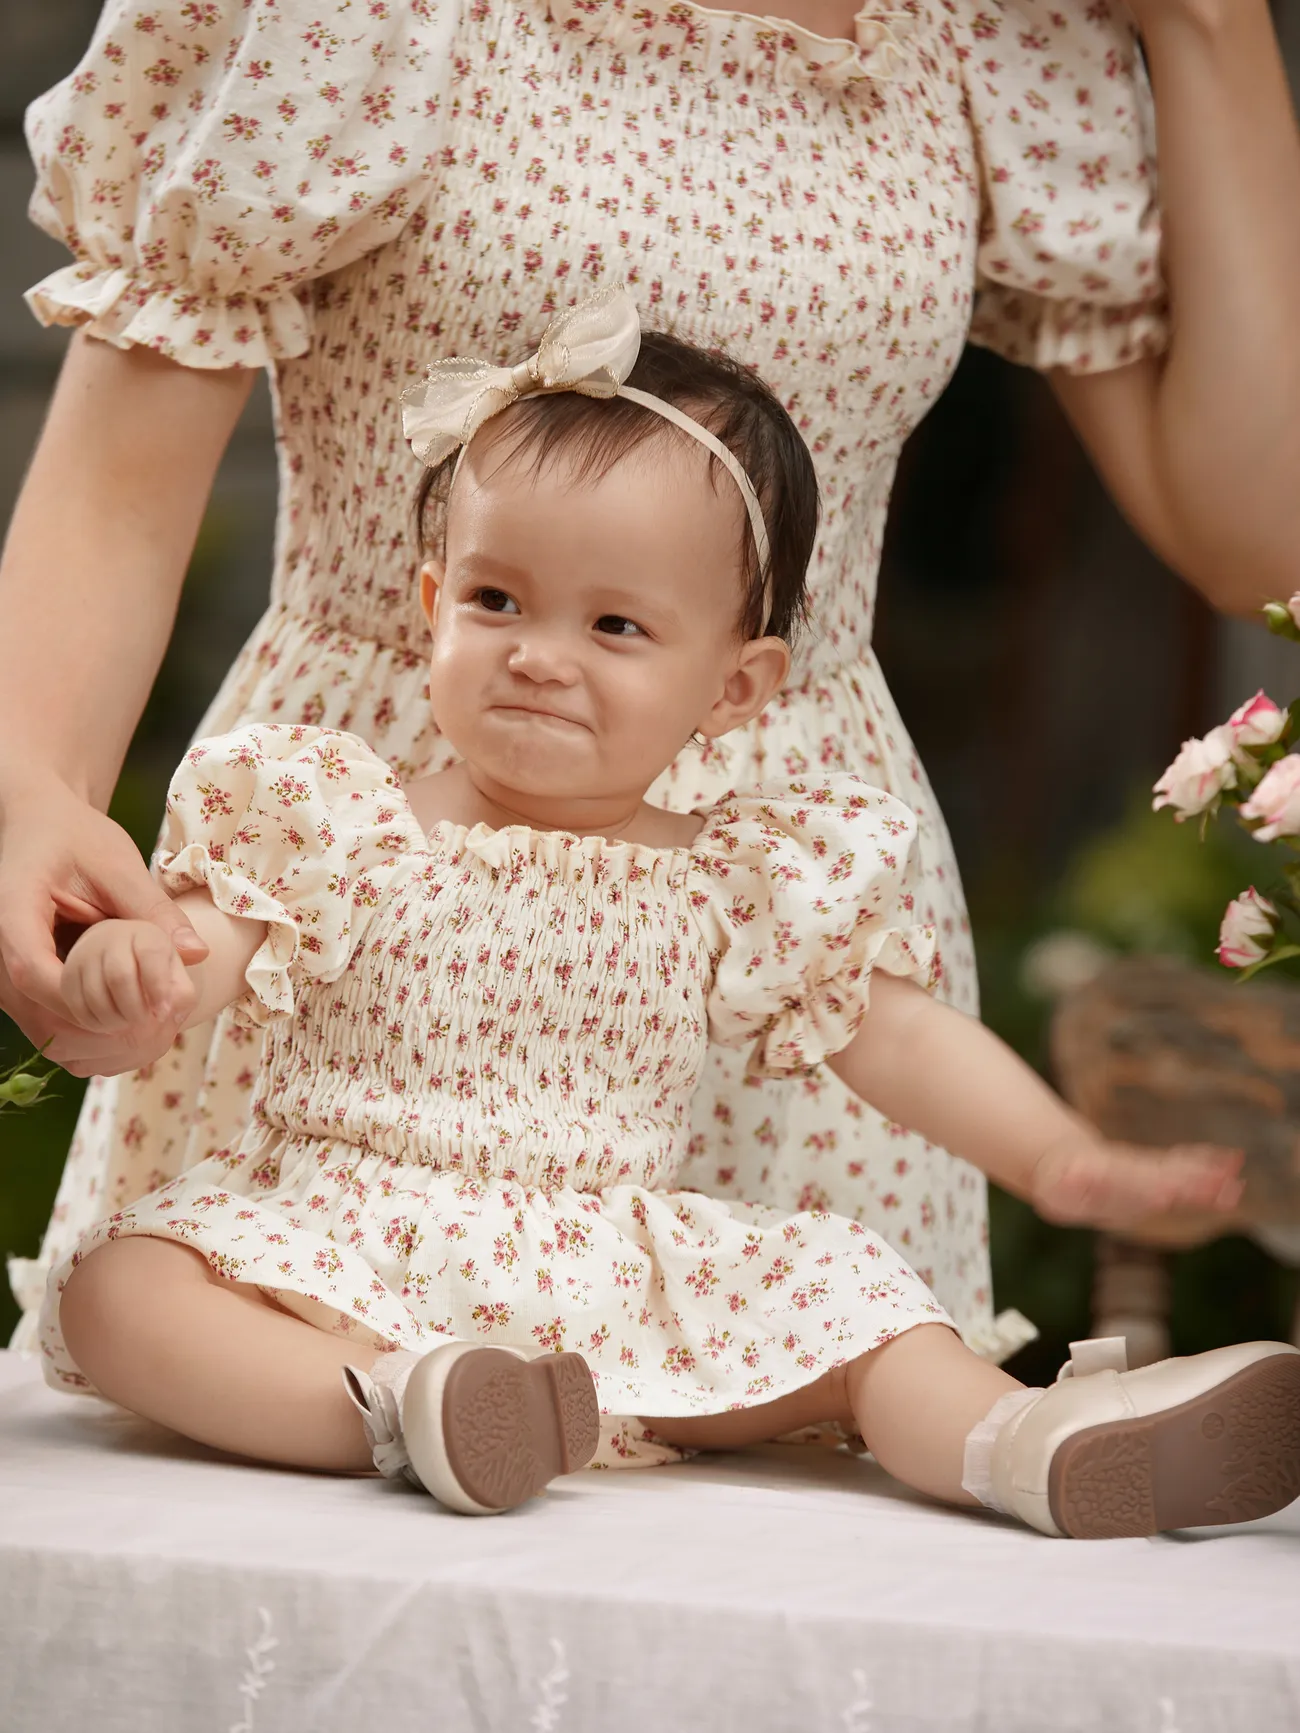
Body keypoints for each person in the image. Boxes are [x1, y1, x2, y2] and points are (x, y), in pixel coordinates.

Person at [5, 0, 1300, 1361]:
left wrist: (1206, 26)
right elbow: (120, 485)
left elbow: (1261, 542)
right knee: (286, 1397)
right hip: (388, 849)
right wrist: (33, 793)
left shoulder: (990, 32)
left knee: (787, 1444)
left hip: (784, 919)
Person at [44, 292, 1300, 1540]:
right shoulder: (337, 818)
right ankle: (395, 1412)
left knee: (859, 1300)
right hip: (344, 1251)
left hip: (614, 1279)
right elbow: (192, 958)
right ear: (430, 608)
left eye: (615, 625)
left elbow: (901, 1039)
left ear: (734, 684)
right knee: (124, 1286)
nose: (540, 653)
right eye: (495, 601)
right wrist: (126, 979)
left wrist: (1053, 1158)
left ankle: (1022, 1440)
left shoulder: (736, 875)